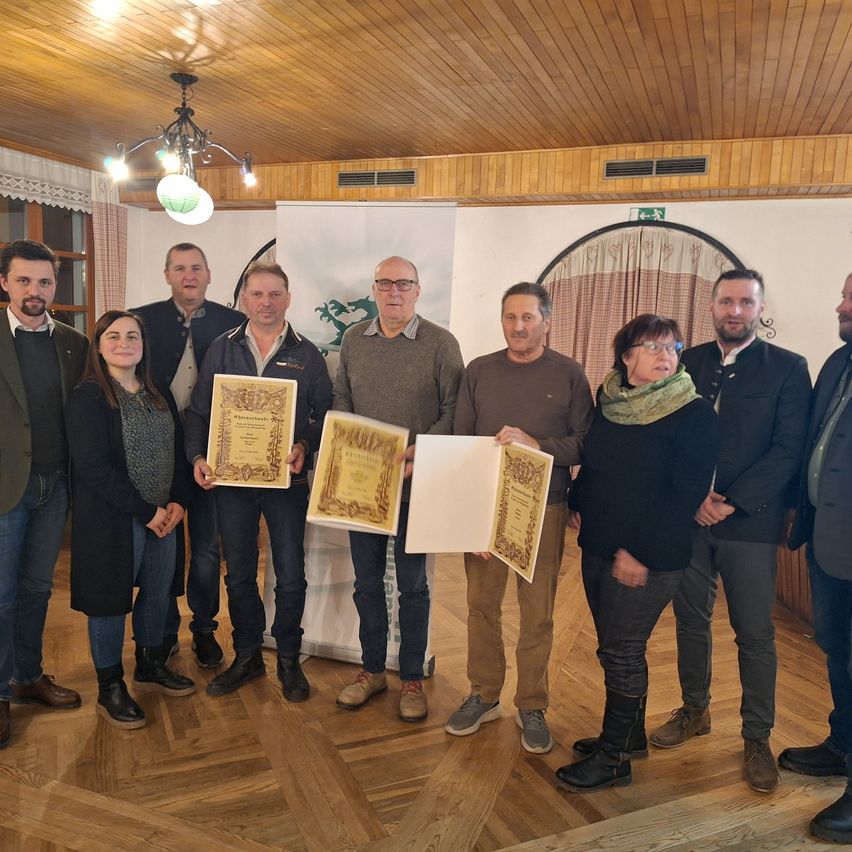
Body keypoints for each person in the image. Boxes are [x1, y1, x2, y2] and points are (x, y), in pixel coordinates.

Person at [648, 269, 811, 793]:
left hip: (751, 523)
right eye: (725, 301)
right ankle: (696, 710)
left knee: (755, 634)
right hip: (688, 520)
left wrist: (732, 501)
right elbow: (664, 433)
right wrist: (690, 497)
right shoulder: (686, 362)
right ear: (711, 306)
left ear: (759, 308)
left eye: (745, 302)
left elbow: (789, 448)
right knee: (689, 622)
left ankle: (756, 737)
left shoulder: (788, 368)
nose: (734, 310)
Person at [555, 314, 718, 792]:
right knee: (617, 648)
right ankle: (628, 736)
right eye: (652, 347)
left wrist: (640, 553)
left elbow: (685, 493)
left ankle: (612, 760)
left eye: (672, 347)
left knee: (621, 650)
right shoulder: (610, 403)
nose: (666, 356)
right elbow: (599, 463)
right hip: (599, 543)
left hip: (649, 555)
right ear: (626, 357)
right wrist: (579, 503)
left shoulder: (693, 413)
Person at [444, 282, 593, 753]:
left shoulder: (569, 374)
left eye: (528, 317)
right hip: (487, 508)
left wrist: (538, 445)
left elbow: (586, 442)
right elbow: (461, 442)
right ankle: (484, 694)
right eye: (510, 317)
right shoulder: (479, 371)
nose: (518, 326)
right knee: (480, 607)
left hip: (545, 507)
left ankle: (532, 704)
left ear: (547, 321)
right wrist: (468, 515)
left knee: (537, 614)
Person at [185, 261, 331, 702]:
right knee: (240, 572)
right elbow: (199, 412)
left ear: (288, 299)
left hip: (287, 484)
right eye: (257, 294)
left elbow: (324, 416)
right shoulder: (221, 348)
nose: (265, 303)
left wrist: (305, 445)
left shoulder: (309, 355)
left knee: (290, 574)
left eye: (274, 294)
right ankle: (247, 653)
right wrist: (197, 456)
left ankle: (288, 656)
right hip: (232, 483)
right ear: (243, 300)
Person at [333, 255, 464, 722]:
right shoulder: (353, 339)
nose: (393, 292)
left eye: (403, 283)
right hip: (362, 486)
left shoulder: (440, 343)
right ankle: (371, 671)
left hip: (416, 484)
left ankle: (411, 676)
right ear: (374, 288)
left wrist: (420, 451)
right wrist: (348, 443)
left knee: (413, 586)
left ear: (417, 289)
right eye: (385, 283)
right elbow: (342, 397)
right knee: (367, 583)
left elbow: (455, 410)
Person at [66, 310, 194, 730]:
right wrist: (147, 512)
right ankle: (110, 687)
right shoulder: (88, 396)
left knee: (158, 593)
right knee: (109, 604)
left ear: (144, 344)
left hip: (165, 517)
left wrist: (177, 501)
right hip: (115, 521)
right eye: (113, 336)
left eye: (132, 336)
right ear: (99, 346)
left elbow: (176, 452)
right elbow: (94, 467)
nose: (124, 343)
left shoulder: (159, 392)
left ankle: (150, 664)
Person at [133, 243, 244, 669]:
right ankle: (160, 630)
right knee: (159, 542)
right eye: (179, 269)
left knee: (207, 547)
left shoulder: (234, 322)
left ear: (209, 273)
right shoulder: (141, 320)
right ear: (167, 275)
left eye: (196, 268)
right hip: (157, 451)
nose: (188, 275)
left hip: (216, 452)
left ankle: (203, 629)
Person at [0, 239, 88, 749]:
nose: (36, 291)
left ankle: (27, 676)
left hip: (55, 487)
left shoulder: (73, 343)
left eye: (45, 281)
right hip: (6, 488)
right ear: (5, 283)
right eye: (25, 280)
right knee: (2, 595)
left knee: (36, 590)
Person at [781, 273, 852, 842]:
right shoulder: (836, 363)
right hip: (829, 542)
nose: (839, 305)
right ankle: (843, 744)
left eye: (851, 297)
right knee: (838, 652)